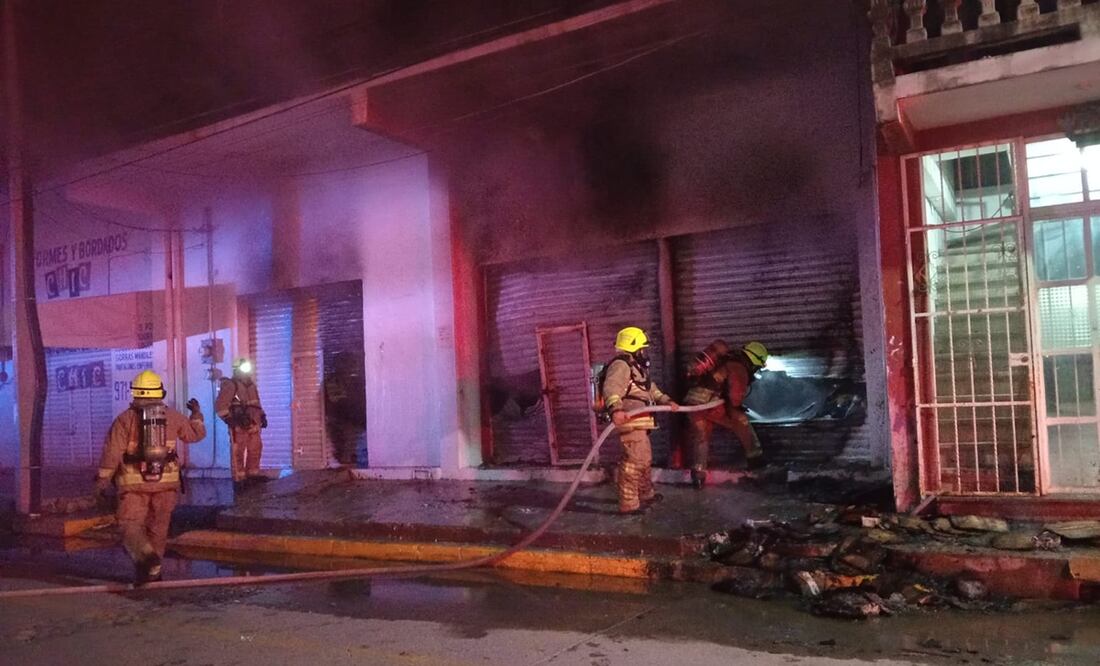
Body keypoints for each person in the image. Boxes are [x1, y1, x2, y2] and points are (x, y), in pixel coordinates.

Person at [94, 370, 205, 584]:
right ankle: (154, 570)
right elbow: (196, 434)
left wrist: (102, 480)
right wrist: (197, 415)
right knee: (158, 527)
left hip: (133, 485)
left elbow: (112, 453)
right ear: (159, 392)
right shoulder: (172, 416)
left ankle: (147, 559)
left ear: (135, 392)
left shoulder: (124, 420)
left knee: (130, 524)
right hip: (167, 484)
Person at [601, 326, 678, 515]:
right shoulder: (621, 365)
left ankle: (645, 494)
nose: (644, 352)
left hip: (640, 423)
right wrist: (616, 409)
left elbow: (651, 390)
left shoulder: (635, 367)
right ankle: (629, 504)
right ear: (633, 346)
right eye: (642, 348)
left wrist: (666, 401)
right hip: (630, 422)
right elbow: (611, 389)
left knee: (644, 460)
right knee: (633, 463)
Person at [683, 340, 768, 488]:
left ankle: (698, 475)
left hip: (693, 402)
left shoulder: (727, 361)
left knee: (701, 437)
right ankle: (756, 460)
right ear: (755, 361)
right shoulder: (739, 367)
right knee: (741, 422)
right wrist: (737, 408)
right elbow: (735, 397)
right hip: (711, 404)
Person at [215, 357, 267, 488]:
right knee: (237, 452)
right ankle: (239, 479)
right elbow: (221, 406)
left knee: (255, 449)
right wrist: (231, 420)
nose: (246, 372)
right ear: (236, 370)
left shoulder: (251, 386)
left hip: (254, 423)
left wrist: (263, 416)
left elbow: (256, 404)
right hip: (239, 425)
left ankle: (253, 475)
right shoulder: (231, 385)